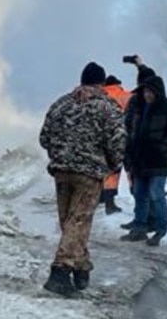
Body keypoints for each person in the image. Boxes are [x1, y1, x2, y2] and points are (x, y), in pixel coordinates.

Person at [39, 62, 127, 295]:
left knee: (70, 221)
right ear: (101, 83)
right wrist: (112, 165)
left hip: (61, 171)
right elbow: (117, 142)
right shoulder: (107, 107)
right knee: (78, 221)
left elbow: (44, 137)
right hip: (89, 172)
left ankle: (81, 268)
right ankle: (59, 272)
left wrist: (60, 154)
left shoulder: (61, 104)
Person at [120, 73, 167, 246]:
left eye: (150, 92)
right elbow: (133, 132)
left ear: (158, 91)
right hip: (140, 160)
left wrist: (162, 147)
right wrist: (129, 153)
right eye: (144, 92)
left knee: (156, 194)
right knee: (139, 193)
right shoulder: (140, 109)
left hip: (158, 161)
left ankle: (161, 228)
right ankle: (140, 227)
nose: (146, 95)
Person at [99, 75, 132, 215]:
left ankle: (108, 202)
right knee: (132, 170)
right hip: (126, 138)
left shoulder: (99, 96)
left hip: (105, 140)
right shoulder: (125, 95)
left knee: (110, 172)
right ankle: (142, 201)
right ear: (118, 84)